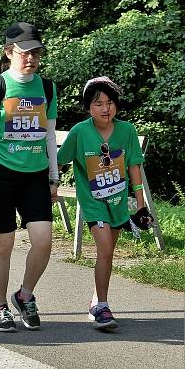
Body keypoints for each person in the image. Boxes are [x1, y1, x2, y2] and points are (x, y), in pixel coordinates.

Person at [0, 22, 59, 332]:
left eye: (36, 53)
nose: (31, 59)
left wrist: (54, 175)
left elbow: (49, 135)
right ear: (9, 52)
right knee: (4, 244)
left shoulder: (47, 88)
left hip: (35, 174)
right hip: (0, 174)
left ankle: (24, 295)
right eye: (25, 53)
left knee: (43, 240)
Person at [58, 77, 152, 330]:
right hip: (93, 203)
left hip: (118, 203)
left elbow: (134, 167)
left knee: (107, 255)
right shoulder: (80, 131)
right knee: (105, 249)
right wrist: (51, 185)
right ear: (89, 107)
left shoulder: (127, 130)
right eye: (98, 103)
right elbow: (60, 160)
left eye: (110, 102)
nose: (105, 108)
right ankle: (102, 307)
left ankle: (96, 300)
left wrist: (141, 206)